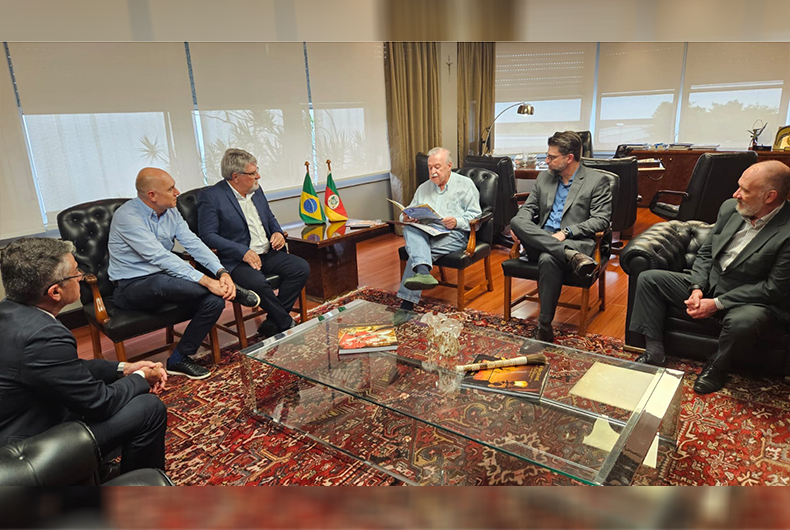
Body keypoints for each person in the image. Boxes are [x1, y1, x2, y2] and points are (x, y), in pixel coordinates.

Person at [0, 237, 168, 475]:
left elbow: (68, 369)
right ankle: (137, 489)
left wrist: (125, 368)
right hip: (23, 448)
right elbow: (101, 404)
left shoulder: (11, 312)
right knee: (148, 408)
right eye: (75, 272)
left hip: (19, 417)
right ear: (55, 291)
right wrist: (141, 377)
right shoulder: (43, 335)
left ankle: (99, 473)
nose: (81, 276)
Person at [630, 160, 790, 394]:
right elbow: (707, 252)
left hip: (751, 299)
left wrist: (716, 303)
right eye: (738, 186)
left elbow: (772, 288)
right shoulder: (730, 208)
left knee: (743, 322)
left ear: (770, 196)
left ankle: (718, 367)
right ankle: (654, 352)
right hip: (712, 283)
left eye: (745, 190)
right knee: (649, 279)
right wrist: (697, 287)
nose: (736, 194)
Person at [109, 167, 260, 380]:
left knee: (215, 301)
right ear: (152, 195)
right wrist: (208, 281)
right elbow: (159, 257)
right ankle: (233, 292)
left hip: (167, 278)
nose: (177, 192)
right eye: (171, 189)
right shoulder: (127, 217)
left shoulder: (171, 211)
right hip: (132, 286)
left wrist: (222, 272)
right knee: (163, 283)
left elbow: (193, 243)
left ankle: (179, 358)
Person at [509, 131, 613, 343]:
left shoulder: (596, 181)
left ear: (569, 158)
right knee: (516, 221)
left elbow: (601, 220)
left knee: (549, 258)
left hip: (575, 241)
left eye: (552, 157)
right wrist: (521, 224)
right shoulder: (544, 177)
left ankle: (544, 327)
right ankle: (568, 255)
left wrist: (566, 233)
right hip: (545, 239)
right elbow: (528, 208)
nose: (546, 161)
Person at [197, 148, 310, 338]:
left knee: (300, 268)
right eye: (252, 173)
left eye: (256, 171)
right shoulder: (212, 197)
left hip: (266, 252)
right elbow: (207, 235)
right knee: (258, 283)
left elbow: (269, 217)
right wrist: (241, 251)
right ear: (235, 176)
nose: (258, 176)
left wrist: (277, 232)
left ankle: (273, 322)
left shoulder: (256, 190)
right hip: (237, 260)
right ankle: (285, 323)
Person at [396, 147, 482, 310]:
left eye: (437, 167)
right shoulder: (423, 188)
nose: (433, 172)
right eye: (430, 168)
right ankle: (423, 274)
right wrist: (406, 217)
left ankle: (407, 303)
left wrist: (456, 221)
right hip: (427, 232)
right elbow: (408, 210)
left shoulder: (465, 185)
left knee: (418, 251)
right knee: (409, 229)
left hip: (454, 234)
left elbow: (476, 217)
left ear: (449, 166)